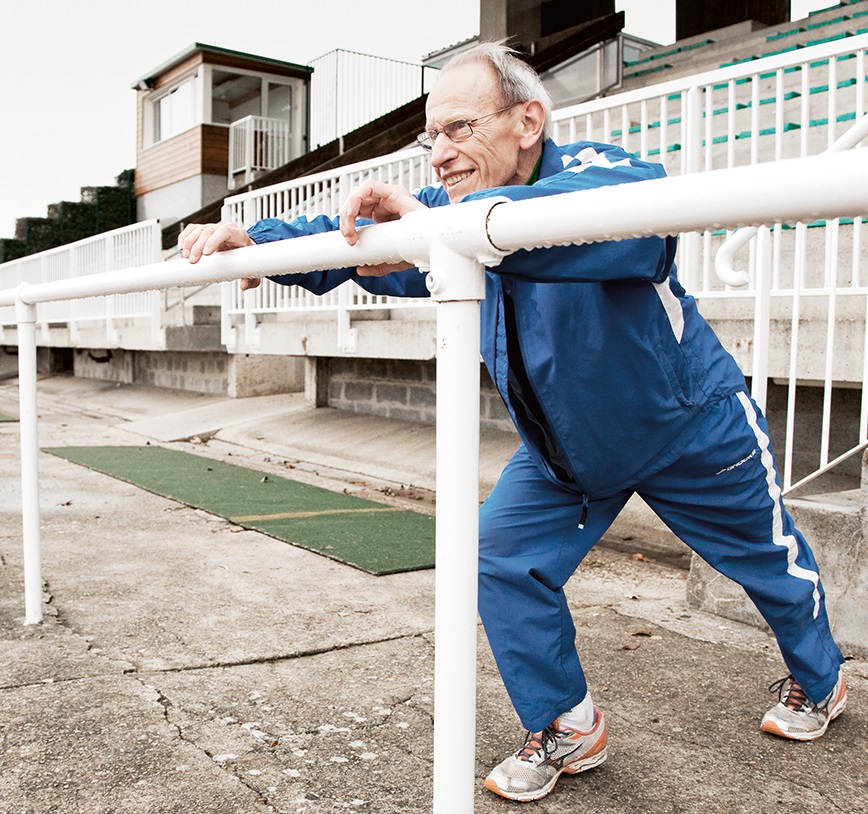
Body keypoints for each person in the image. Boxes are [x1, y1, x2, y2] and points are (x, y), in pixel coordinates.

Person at [179, 43, 847, 803]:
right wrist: (256, 246)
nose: (439, 153)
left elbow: (634, 216)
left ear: (528, 121)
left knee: (768, 563)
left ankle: (821, 678)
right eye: (431, 136)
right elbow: (356, 243)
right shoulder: (450, 220)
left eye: (459, 128)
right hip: (565, 451)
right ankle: (567, 722)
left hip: (686, 426)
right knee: (494, 558)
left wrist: (454, 224)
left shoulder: (595, 170)